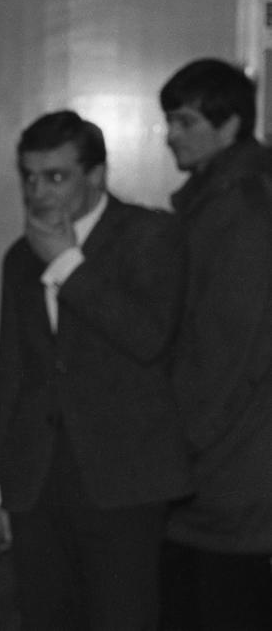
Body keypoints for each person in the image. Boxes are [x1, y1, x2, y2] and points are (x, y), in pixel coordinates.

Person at [0, 110, 189, 630]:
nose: (38, 192)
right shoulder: (19, 257)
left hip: (125, 477)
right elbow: (12, 371)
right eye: (29, 176)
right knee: (43, 618)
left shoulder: (150, 234)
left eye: (56, 176)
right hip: (38, 479)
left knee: (123, 618)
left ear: (96, 175)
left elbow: (148, 337)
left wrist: (68, 264)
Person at [157, 59, 272, 630]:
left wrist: (177, 452)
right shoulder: (217, 199)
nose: (171, 134)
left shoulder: (242, 211)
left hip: (231, 467)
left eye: (185, 120)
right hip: (222, 459)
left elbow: (229, 356)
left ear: (229, 127)